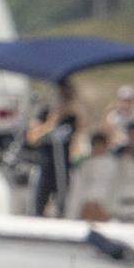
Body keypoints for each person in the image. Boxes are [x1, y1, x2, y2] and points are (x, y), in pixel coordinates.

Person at [66, 126, 134, 222]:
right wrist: (73, 212)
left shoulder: (113, 163)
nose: (98, 148)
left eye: (100, 145)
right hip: (87, 203)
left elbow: (116, 185)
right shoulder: (84, 164)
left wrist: (109, 207)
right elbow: (78, 188)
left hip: (105, 204)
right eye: (95, 145)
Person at [25, 78, 84, 217]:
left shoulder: (72, 118)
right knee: (39, 205)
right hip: (45, 165)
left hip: (63, 167)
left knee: (63, 205)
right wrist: (51, 123)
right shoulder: (45, 113)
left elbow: (80, 136)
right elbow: (32, 138)